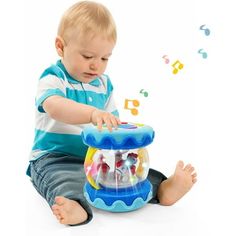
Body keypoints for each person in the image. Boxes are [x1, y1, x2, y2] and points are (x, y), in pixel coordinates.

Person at [26, 1, 197, 226]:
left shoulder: (103, 85)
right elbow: (54, 106)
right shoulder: (54, 78)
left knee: (131, 173)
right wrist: (92, 114)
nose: (96, 65)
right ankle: (75, 206)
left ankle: (162, 188)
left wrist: (124, 152)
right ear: (61, 46)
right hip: (54, 158)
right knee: (64, 181)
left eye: (104, 58)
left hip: (94, 158)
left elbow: (111, 125)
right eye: (88, 56)